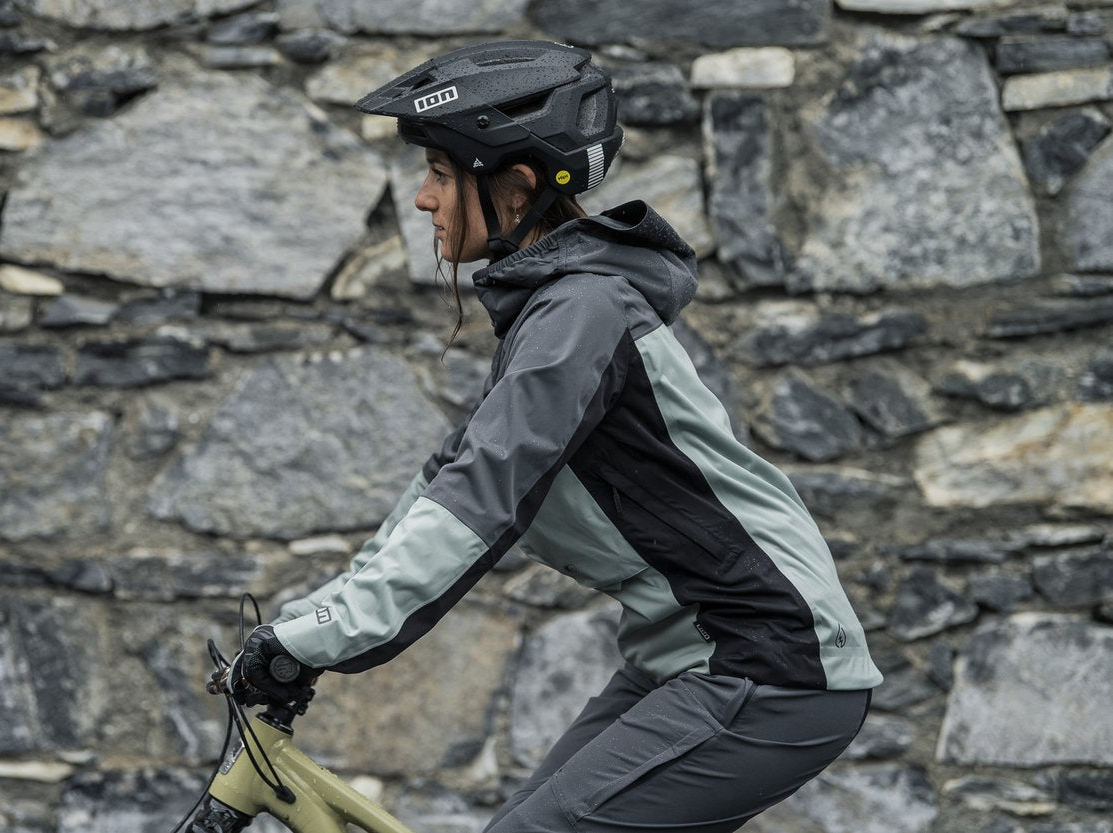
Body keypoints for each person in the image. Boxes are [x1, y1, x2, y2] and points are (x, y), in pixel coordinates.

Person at [224, 40, 882, 833]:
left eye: (439, 173)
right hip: (690, 659)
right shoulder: (551, 315)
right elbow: (441, 487)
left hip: (770, 665)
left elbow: (479, 502)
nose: (424, 200)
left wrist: (319, 636)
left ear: (516, 188)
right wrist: (308, 622)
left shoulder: (581, 315)